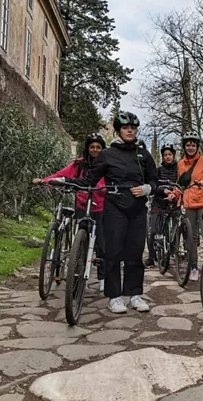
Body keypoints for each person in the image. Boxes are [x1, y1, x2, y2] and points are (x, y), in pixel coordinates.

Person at [53, 112, 157, 314]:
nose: (129, 131)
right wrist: (66, 181)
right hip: (114, 207)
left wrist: (147, 189)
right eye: (126, 128)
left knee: (135, 253)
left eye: (133, 128)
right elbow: (89, 181)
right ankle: (115, 297)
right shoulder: (107, 155)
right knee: (113, 252)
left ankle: (135, 295)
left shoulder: (144, 155)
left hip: (137, 208)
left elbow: (155, 181)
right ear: (118, 130)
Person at [33, 134, 107, 288]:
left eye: (98, 147)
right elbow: (62, 175)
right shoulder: (79, 164)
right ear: (87, 148)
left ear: (102, 149)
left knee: (102, 243)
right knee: (79, 242)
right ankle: (77, 274)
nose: (95, 150)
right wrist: (44, 180)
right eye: (92, 147)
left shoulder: (107, 165)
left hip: (100, 206)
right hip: (82, 204)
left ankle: (103, 278)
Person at [166, 132, 203, 281]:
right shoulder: (181, 164)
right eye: (188, 145)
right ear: (184, 147)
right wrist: (174, 194)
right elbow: (181, 183)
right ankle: (193, 266)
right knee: (191, 237)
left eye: (193, 145)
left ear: (197, 146)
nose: (190, 147)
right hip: (188, 204)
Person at [144, 144, 179, 268]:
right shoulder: (158, 170)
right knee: (153, 230)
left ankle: (170, 253)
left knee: (172, 232)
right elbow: (154, 185)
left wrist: (174, 193)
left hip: (173, 204)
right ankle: (151, 257)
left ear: (173, 155)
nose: (167, 157)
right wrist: (163, 191)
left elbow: (181, 184)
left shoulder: (178, 169)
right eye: (165, 155)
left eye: (170, 154)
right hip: (158, 202)